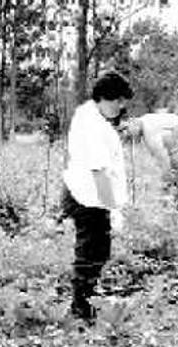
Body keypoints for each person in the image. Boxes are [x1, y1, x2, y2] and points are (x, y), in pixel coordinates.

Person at [60, 71, 133, 322]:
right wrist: (112, 210)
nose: (121, 107)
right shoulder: (91, 125)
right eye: (118, 101)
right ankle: (80, 311)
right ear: (103, 98)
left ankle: (87, 299)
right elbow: (100, 172)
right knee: (90, 255)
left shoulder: (92, 114)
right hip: (90, 198)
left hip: (88, 194)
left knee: (98, 253)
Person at [120, 112, 178, 231]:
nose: (125, 135)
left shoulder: (150, 134)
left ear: (132, 121)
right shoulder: (147, 120)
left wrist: (165, 188)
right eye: (121, 132)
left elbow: (165, 166)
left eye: (125, 129)